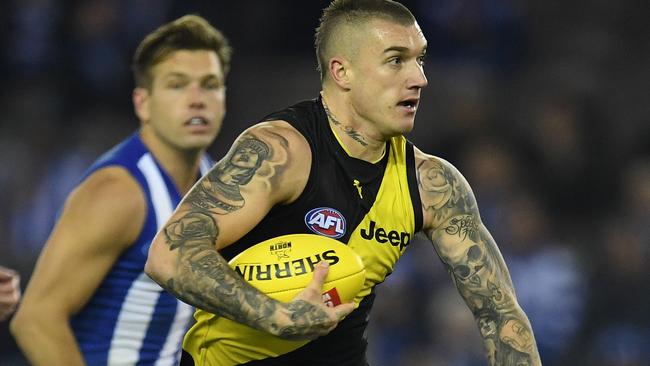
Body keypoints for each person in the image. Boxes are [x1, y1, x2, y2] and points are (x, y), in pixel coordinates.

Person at [145, 1, 542, 365]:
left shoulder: (433, 184)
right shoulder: (280, 151)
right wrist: (277, 316)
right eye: (396, 60)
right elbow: (169, 254)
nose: (419, 78)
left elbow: (500, 314)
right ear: (342, 71)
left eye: (420, 60)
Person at [10, 15, 230, 366]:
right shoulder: (118, 192)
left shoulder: (221, 181)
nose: (196, 99)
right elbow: (36, 320)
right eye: (177, 85)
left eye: (210, 84)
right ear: (143, 103)